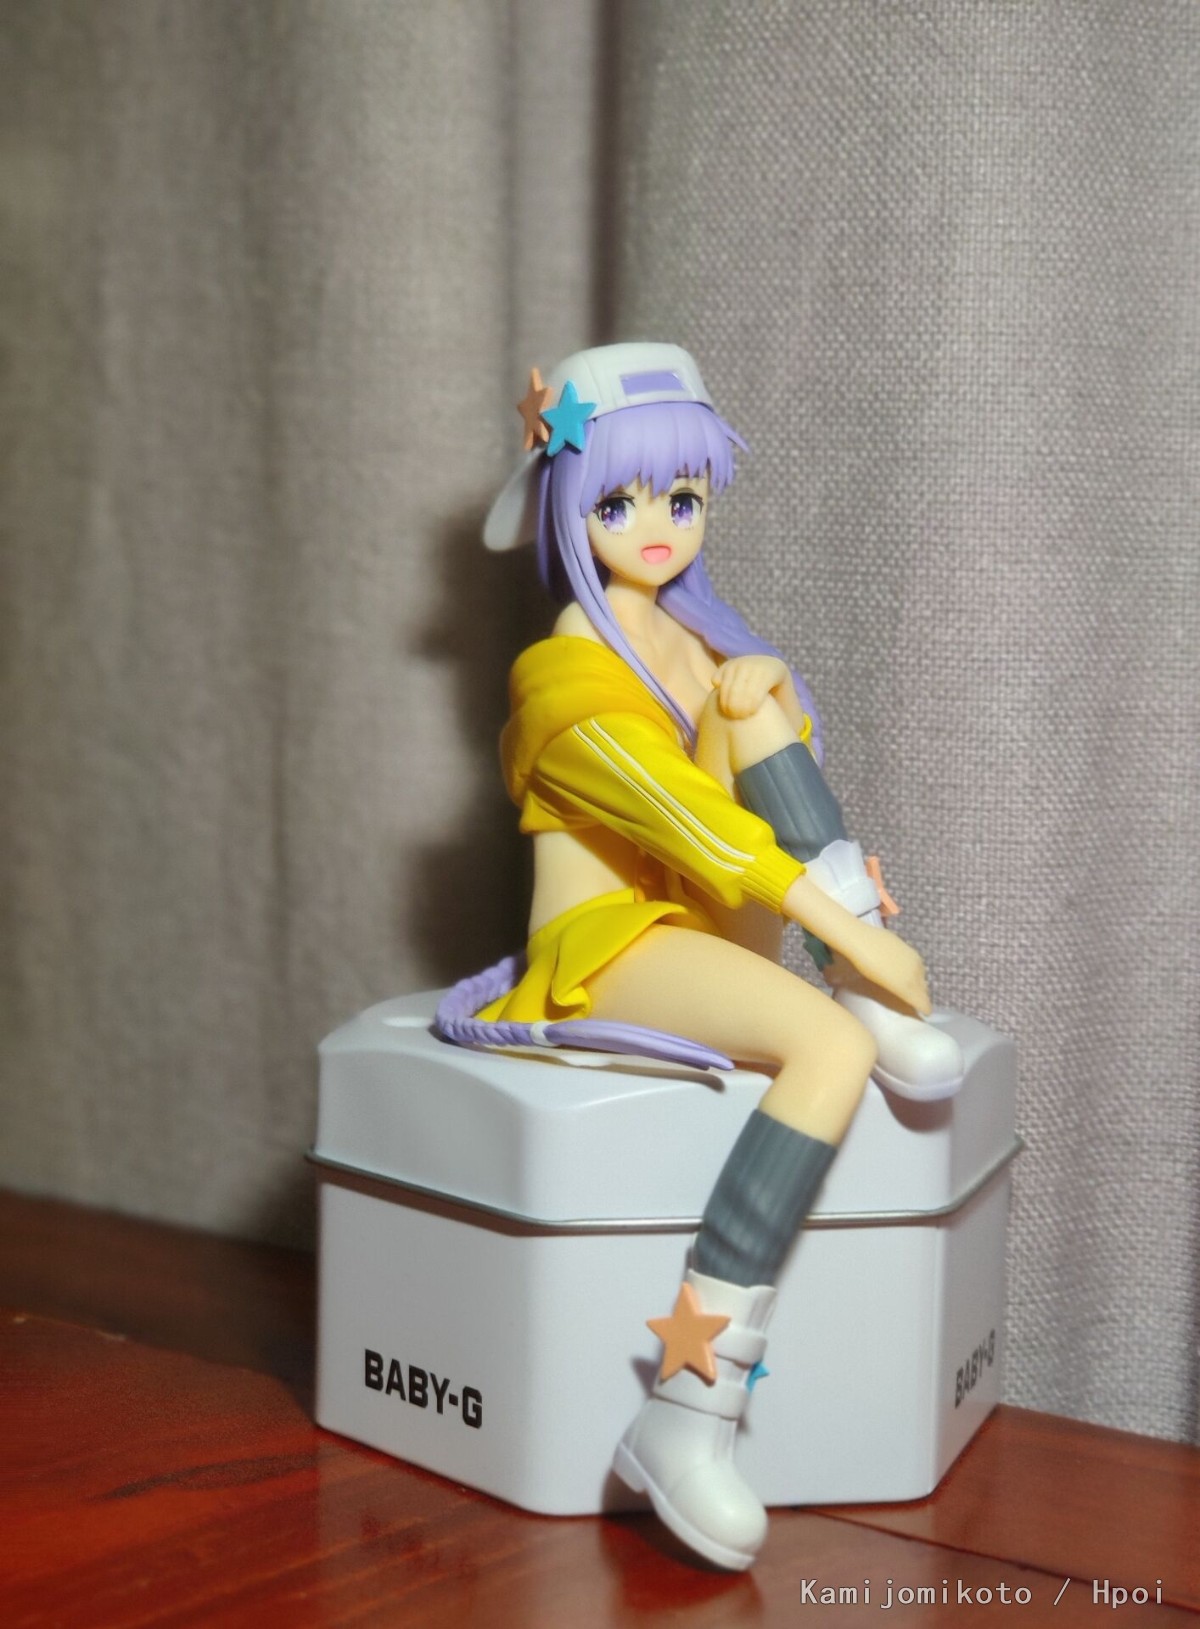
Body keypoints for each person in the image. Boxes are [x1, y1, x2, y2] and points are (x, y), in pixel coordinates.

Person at [436, 343, 962, 1570]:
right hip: (610, 942)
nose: (658, 526)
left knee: (753, 693)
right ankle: (685, 1410)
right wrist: (849, 934)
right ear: (569, 509)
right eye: (618, 502)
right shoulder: (564, 666)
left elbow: (749, 787)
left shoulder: (692, 636)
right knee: (827, 1048)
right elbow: (691, 829)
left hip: (703, 915)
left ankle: (861, 981)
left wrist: (766, 695)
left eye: (683, 495)